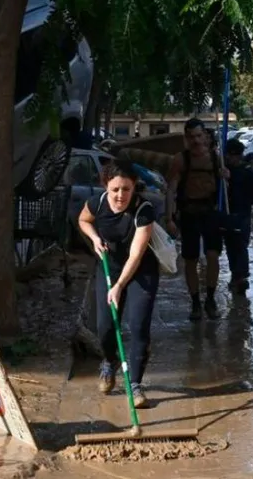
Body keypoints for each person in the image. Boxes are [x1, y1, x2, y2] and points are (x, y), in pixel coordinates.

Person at [78, 160, 159, 408]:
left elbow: (136, 255)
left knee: (138, 325)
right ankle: (108, 361)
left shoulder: (144, 210)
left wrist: (120, 285)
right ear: (106, 187)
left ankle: (135, 384)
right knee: (105, 326)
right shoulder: (98, 203)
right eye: (115, 190)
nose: (120, 195)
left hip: (140, 271)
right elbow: (83, 220)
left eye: (126, 189)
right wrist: (94, 239)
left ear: (134, 187)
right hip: (108, 268)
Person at [166, 118, 229, 321]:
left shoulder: (215, 158)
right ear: (186, 138)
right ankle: (195, 303)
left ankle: (210, 299)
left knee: (212, 256)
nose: (196, 141)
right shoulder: (180, 160)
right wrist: (169, 218)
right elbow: (171, 190)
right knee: (190, 260)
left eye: (199, 136)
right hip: (189, 213)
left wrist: (225, 176)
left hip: (210, 212)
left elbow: (225, 186)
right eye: (191, 137)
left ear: (205, 136)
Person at [223, 138, 253, 295]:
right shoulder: (224, 171)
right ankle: (236, 275)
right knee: (230, 247)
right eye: (227, 155)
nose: (228, 158)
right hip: (228, 215)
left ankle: (241, 276)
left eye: (230, 155)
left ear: (237, 155)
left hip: (243, 215)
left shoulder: (249, 173)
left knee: (240, 245)